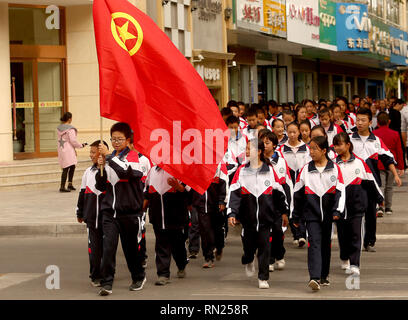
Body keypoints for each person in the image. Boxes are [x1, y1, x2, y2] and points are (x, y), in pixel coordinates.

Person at [227, 139, 288, 289]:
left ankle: (263, 277)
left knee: (265, 247)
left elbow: (280, 194)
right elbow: (234, 193)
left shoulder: (269, 170)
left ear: (259, 152)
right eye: (246, 149)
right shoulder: (241, 171)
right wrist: (232, 213)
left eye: (250, 149)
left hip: (266, 219)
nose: (247, 152)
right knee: (248, 248)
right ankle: (248, 259)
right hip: (247, 220)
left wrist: (284, 212)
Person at [95, 122, 146, 296]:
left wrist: (109, 157)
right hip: (110, 212)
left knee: (130, 248)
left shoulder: (133, 156)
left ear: (127, 140)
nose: (116, 142)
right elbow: (101, 186)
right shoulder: (109, 159)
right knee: (108, 247)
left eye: (119, 139)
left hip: (129, 212)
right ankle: (107, 282)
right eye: (113, 139)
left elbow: (128, 173)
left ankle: (138, 276)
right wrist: (100, 167)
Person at [292, 136, 346, 291]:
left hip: (330, 215)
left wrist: (337, 210)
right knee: (314, 243)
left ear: (324, 150)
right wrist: (295, 216)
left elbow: (340, 192)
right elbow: (297, 195)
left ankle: (324, 275)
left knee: (325, 245)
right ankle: (314, 277)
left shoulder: (335, 169)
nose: (312, 152)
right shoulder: (305, 170)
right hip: (311, 215)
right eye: (310, 148)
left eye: (315, 148)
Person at [350, 108, 402, 252]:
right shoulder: (349, 139)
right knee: (354, 214)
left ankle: (369, 242)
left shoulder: (376, 141)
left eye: (363, 120)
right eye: (357, 120)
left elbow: (387, 158)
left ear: (370, 122)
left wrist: (396, 175)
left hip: (371, 183)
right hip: (353, 183)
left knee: (371, 214)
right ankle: (355, 241)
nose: (359, 123)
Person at [333, 132, 383, 276]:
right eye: (335, 145)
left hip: (357, 205)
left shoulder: (359, 162)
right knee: (342, 235)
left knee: (356, 234)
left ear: (348, 145)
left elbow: (371, 180)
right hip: (340, 208)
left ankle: (355, 264)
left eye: (340, 144)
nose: (337, 147)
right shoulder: (334, 164)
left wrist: (379, 198)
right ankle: (344, 257)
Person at [143, 166, 190, 285]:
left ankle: (181, 264)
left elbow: (189, 194)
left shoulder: (180, 170)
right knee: (161, 243)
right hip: (157, 216)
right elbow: (147, 192)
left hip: (176, 216)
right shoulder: (152, 171)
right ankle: (163, 274)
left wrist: (178, 187)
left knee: (177, 243)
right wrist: (142, 208)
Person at [76, 140, 109, 287]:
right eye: (90, 152)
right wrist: (80, 211)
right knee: (94, 249)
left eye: (93, 152)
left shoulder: (108, 171)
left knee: (107, 248)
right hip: (91, 218)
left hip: (107, 218)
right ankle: (95, 275)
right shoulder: (88, 172)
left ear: (101, 153)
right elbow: (82, 193)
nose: (91, 155)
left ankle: (107, 274)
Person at [260, 131, 291, 272]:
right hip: (263, 202)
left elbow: (286, 184)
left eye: (267, 143)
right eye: (263, 143)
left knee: (278, 231)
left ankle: (280, 254)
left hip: (277, 202)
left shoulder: (281, 161)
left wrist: (287, 207)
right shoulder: (255, 161)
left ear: (274, 145)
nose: (265, 146)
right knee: (267, 233)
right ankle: (270, 259)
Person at [278, 122, 312, 247]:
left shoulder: (306, 149)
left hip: (301, 181)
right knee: (289, 206)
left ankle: (302, 234)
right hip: (287, 182)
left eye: (294, 132)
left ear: (299, 132)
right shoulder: (282, 149)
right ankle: (295, 234)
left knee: (301, 205)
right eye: (289, 132)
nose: (292, 135)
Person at [191, 161, 228, 268]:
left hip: (215, 204)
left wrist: (222, 201)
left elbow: (224, 182)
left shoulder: (219, 164)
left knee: (217, 230)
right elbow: (190, 184)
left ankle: (219, 247)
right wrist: (191, 201)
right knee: (205, 231)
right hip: (201, 204)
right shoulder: (195, 164)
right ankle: (208, 257)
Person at [373, 112, 405, 216]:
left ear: (377, 122)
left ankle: (380, 206)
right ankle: (388, 207)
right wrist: (401, 166)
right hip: (392, 163)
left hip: (378, 163)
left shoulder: (374, 133)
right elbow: (399, 151)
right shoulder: (395, 134)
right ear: (389, 122)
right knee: (390, 186)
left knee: (380, 186)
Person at [57, 112, 86, 192]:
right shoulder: (70, 129)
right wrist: (81, 145)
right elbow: (73, 140)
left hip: (62, 148)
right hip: (68, 149)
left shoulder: (59, 128)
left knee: (71, 166)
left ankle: (70, 184)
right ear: (70, 119)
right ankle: (62, 187)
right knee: (67, 167)